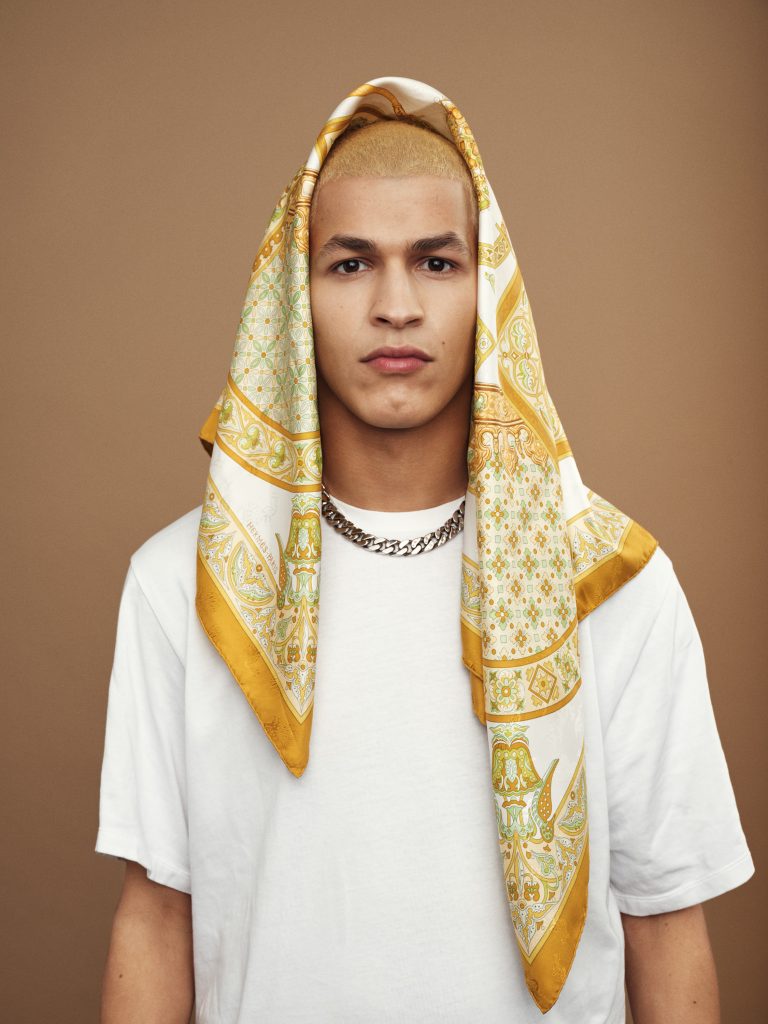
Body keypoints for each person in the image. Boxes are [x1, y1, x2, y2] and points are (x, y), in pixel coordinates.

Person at [95, 77, 753, 1024]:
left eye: (437, 263)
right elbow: (158, 918)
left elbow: (665, 924)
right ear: (292, 298)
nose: (396, 306)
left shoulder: (611, 580)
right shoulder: (184, 583)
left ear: (490, 291)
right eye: (351, 264)